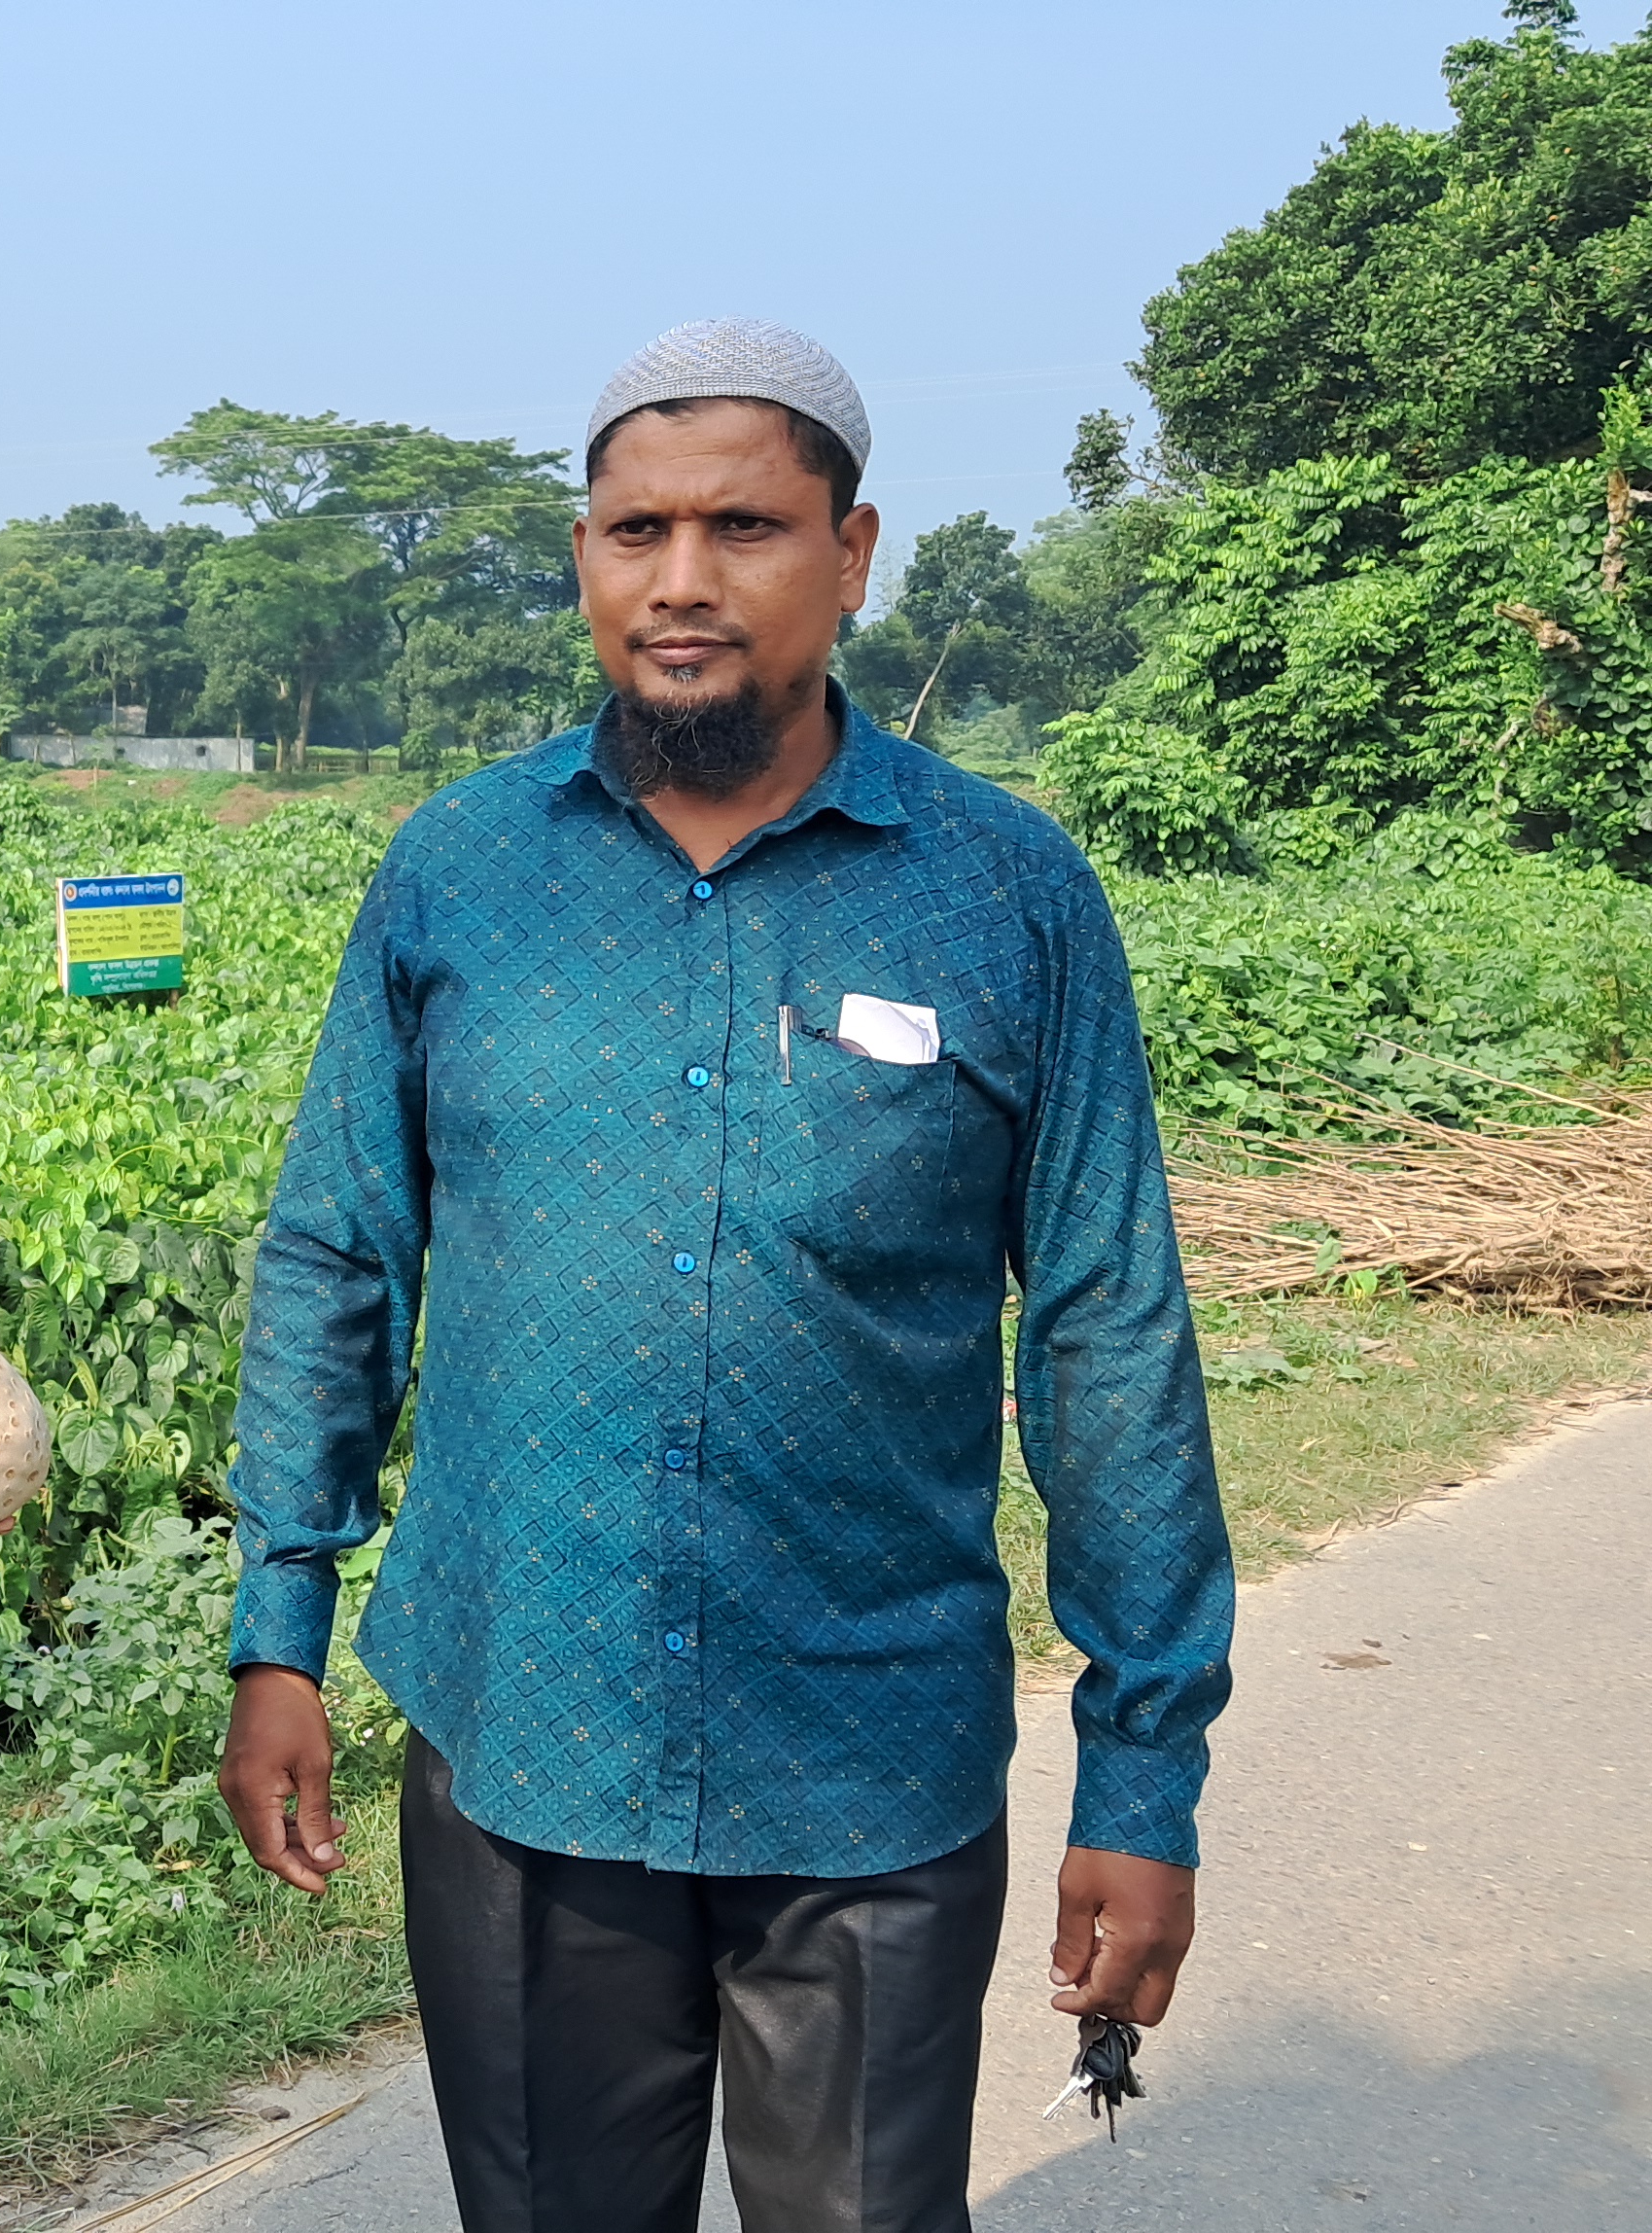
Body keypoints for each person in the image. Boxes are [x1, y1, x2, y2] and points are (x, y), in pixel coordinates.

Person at [213, 321, 1235, 2233]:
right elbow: (339, 1250)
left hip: (870, 1762)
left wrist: (1143, 1768)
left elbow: (1108, 1324)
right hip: (527, 1739)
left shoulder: (1007, 894)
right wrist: (281, 1621)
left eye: (745, 526)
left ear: (852, 553)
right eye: (635, 529)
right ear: (584, 555)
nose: (683, 579)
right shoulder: (459, 873)